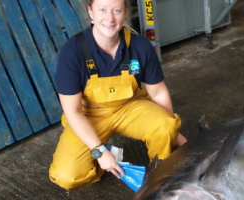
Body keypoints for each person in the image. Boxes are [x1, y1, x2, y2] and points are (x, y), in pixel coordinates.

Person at [49, 0, 187, 190]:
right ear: (90, 11)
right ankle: (101, 164)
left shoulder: (140, 46)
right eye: (102, 10)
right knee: (67, 176)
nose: (110, 18)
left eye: (116, 10)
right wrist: (99, 151)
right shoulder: (73, 52)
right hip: (89, 115)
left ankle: (161, 175)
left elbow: (158, 91)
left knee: (165, 127)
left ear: (125, 13)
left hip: (131, 107)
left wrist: (173, 131)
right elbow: (73, 112)